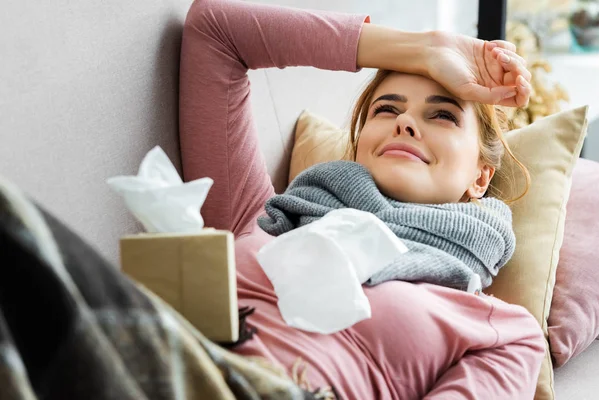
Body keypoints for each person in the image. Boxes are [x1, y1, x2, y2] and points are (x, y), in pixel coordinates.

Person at [179, 0, 546, 399]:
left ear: (480, 177)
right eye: (386, 109)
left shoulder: (503, 334)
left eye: (442, 115)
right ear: (359, 147)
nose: (405, 122)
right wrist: (428, 49)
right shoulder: (261, 217)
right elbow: (215, 30)